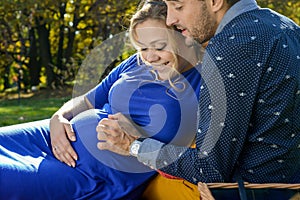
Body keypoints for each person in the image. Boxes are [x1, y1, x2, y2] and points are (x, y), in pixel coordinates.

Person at [97, 0, 300, 199]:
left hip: (250, 192)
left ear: (215, 2)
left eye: (178, 6)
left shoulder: (230, 45)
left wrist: (134, 146)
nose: (170, 19)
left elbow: (209, 169)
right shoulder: (287, 27)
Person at [0, 2, 202, 200]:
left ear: (182, 34)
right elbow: (88, 101)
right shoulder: (135, 62)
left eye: (159, 46)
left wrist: (137, 140)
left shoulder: (203, 80)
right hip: (49, 136)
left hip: (88, 172)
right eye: (142, 48)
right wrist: (58, 117)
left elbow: (208, 158)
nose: (150, 57)